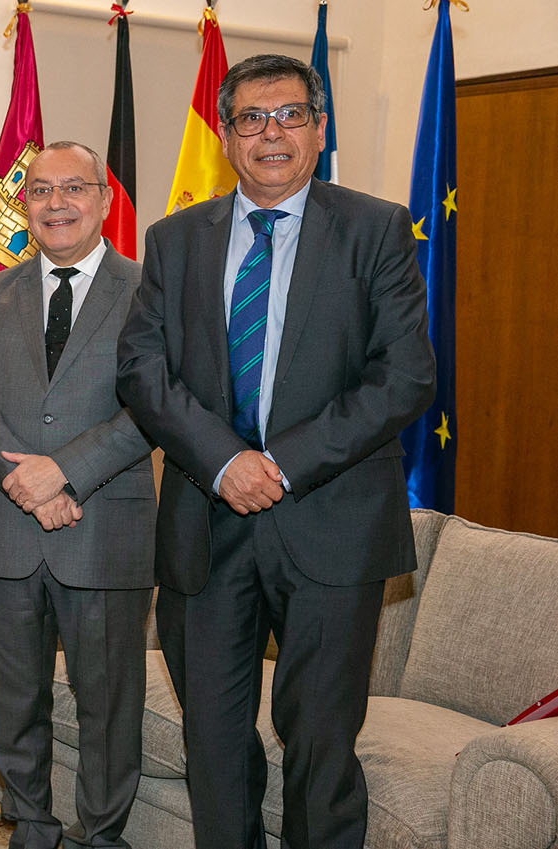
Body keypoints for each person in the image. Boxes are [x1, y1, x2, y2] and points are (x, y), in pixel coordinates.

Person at [117, 54, 435, 849]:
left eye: (291, 114)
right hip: (205, 523)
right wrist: (225, 461)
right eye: (251, 118)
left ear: (319, 130)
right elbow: (141, 370)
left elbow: (403, 378)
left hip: (331, 524)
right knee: (213, 747)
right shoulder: (174, 238)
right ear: (225, 135)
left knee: (320, 742)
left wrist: (280, 462)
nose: (272, 133)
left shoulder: (376, 227)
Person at [0, 141, 154, 849]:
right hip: (9, 527)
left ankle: (101, 835)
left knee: (107, 704)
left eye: (73, 188)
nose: (56, 202)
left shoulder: (147, 289)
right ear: (24, 203)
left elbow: (155, 406)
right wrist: (24, 481)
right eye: (40, 190)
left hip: (102, 525)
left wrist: (62, 474)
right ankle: (30, 827)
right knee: (14, 698)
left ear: (102, 199)